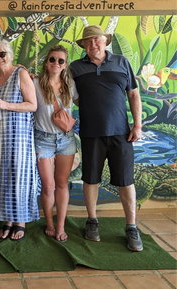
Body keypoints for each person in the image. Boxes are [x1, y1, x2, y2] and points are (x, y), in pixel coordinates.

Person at [70, 25, 143, 251]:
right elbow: (71, 95)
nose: (93, 44)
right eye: (88, 41)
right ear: (84, 45)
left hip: (122, 133)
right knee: (90, 179)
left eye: (97, 39)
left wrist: (138, 125)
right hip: (91, 134)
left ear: (105, 40)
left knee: (126, 180)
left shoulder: (122, 63)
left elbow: (133, 94)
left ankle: (131, 227)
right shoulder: (75, 67)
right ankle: (92, 221)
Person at [0, 39, 38, 241]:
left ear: (11, 55)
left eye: (2, 54)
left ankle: (20, 221)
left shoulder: (20, 74)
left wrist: (6, 105)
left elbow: (32, 105)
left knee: (19, 179)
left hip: (19, 139)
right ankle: (7, 220)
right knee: (3, 179)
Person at [33, 45, 79, 243]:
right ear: (46, 62)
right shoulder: (35, 83)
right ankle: (49, 223)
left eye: (61, 60)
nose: (56, 63)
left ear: (65, 64)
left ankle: (60, 226)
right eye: (52, 59)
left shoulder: (70, 85)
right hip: (43, 139)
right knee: (48, 185)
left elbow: (82, 102)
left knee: (61, 183)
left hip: (66, 139)